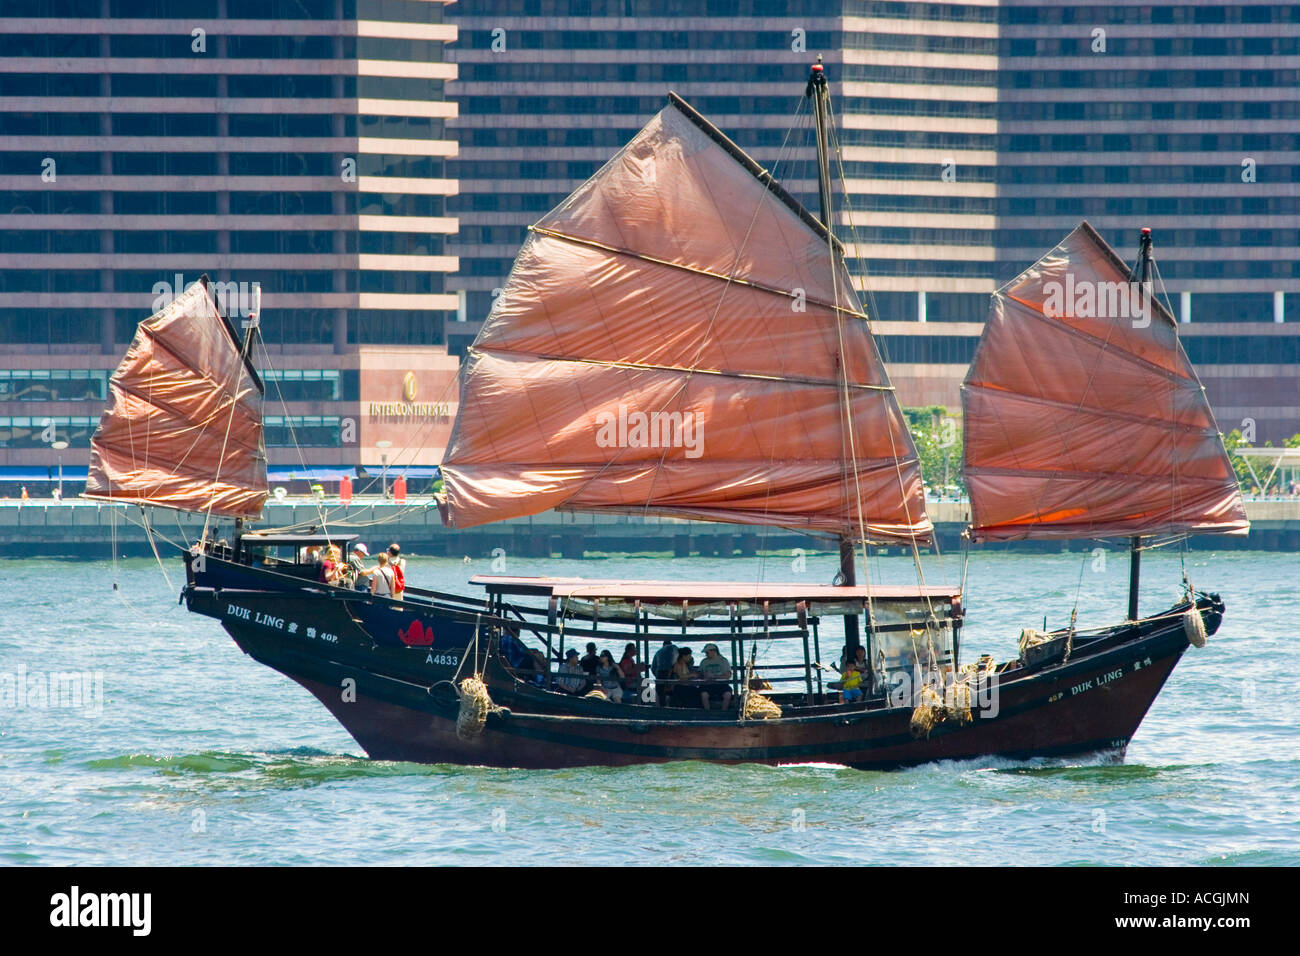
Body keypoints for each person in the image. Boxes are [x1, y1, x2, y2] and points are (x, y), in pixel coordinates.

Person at [697, 643, 733, 710]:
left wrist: (714, 676)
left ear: (714, 651)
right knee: (704, 695)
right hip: (708, 684)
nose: (706, 654)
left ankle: (723, 712)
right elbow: (699, 674)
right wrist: (704, 676)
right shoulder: (704, 662)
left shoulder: (723, 661)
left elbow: (728, 675)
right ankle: (707, 712)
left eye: (707, 652)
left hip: (721, 684)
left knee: (727, 694)